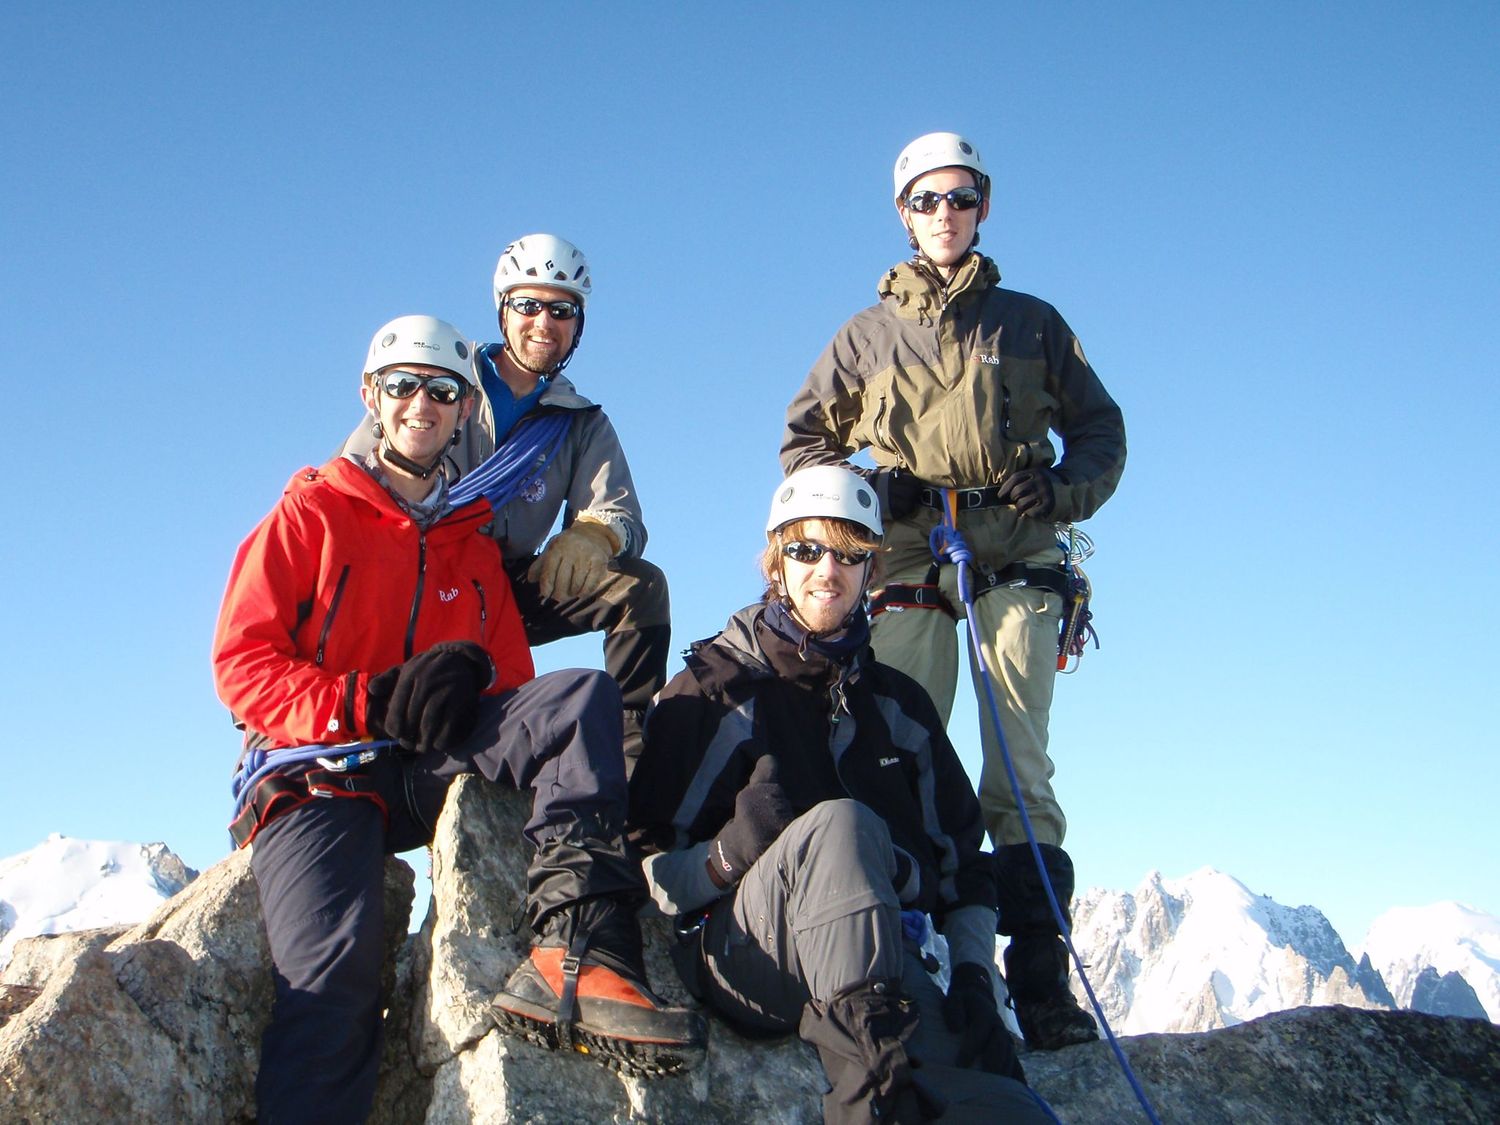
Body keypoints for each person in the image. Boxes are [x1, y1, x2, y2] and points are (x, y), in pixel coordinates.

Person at [215, 315, 702, 1124]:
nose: (421, 404)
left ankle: (576, 947)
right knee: (336, 977)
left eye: (442, 391)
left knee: (580, 697)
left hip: (420, 763)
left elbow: (515, 684)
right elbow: (241, 664)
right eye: (402, 385)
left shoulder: (472, 544)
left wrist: (468, 677)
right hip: (319, 776)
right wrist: (359, 701)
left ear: (461, 409)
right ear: (371, 396)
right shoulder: (312, 514)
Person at [780, 132, 1127, 1051]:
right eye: (927, 201)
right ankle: (914, 958)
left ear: (983, 206)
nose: (945, 214)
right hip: (904, 556)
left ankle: (1041, 982)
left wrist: (1055, 492)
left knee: (1018, 762)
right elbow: (803, 442)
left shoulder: (1032, 322)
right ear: (904, 213)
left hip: (1014, 549)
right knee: (900, 751)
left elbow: (1101, 432)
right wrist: (865, 494)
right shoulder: (863, 336)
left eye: (961, 198)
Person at [629, 466, 1050, 1124]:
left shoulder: (899, 707)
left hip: (883, 958)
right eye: (805, 549)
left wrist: (971, 971)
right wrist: (728, 855)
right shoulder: (713, 692)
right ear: (775, 562)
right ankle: (872, 1095)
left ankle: (910, 1070)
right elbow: (648, 865)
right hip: (748, 953)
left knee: (1000, 1100)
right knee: (842, 827)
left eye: (850, 552)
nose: (828, 568)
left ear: (870, 569)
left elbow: (966, 865)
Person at [340, 235, 668, 772]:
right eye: (527, 305)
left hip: (505, 585)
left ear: (578, 323)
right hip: (414, 579)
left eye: (561, 310)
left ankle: (632, 759)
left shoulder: (580, 422)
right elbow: (353, 481)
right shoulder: (438, 380)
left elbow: (622, 515)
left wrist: (594, 534)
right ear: (502, 310)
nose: (544, 322)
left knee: (640, 587)